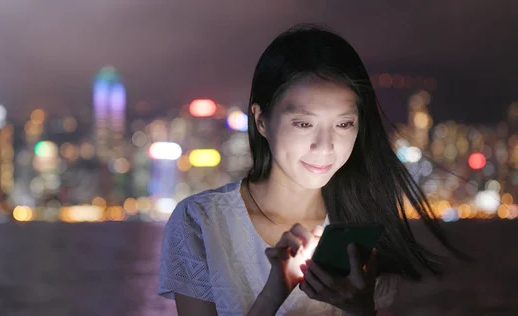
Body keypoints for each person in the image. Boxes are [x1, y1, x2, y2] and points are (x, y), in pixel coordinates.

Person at [158, 24, 467, 316]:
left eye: (344, 124)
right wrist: (272, 295)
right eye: (304, 123)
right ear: (261, 120)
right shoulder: (201, 222)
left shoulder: (363, 228)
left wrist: (359, 309)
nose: (325, 145)